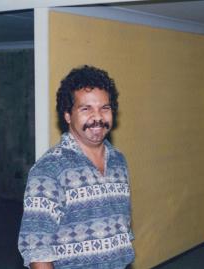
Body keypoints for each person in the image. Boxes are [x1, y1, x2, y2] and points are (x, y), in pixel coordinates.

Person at [18, 65, 135, 269]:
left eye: (104, 108)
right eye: (86, 108)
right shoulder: (49, 170)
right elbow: (37, 250)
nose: (97, 117)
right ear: (67, 116)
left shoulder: (118, 161)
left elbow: (121, 226)